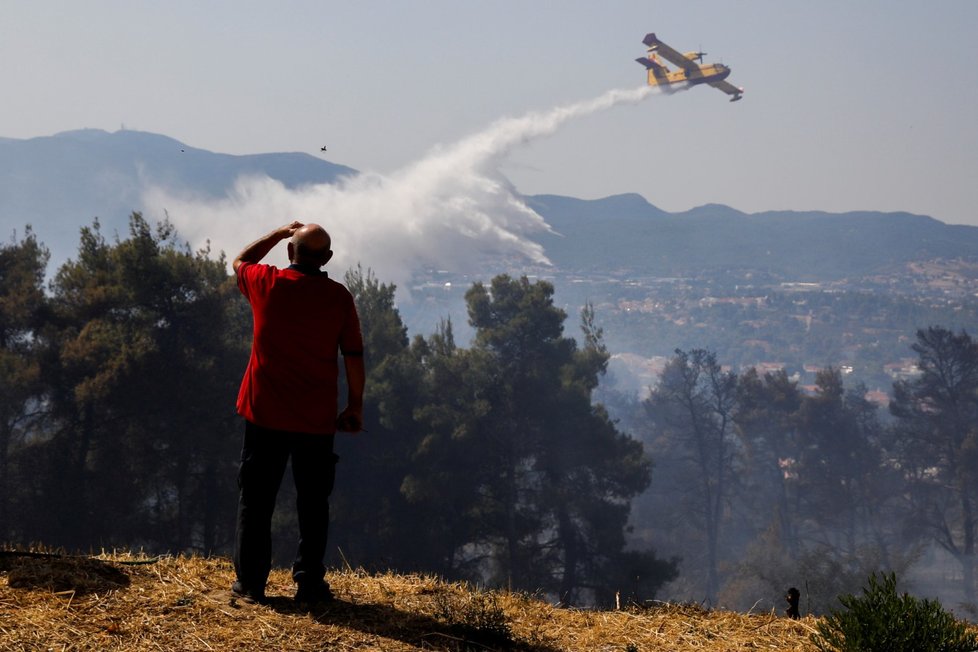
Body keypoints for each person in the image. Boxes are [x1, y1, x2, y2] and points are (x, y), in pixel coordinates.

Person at [230, 221, 365, 605]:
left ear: (290, 253)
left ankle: (252, 584)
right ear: (327, 259)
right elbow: (353, 356)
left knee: (256, 501)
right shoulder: (339, 298)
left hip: (264, 413)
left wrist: (277, 234)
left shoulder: (265, 283)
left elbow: (240, 259)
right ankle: (309, 584)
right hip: (315, 418)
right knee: (313, 502)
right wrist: (354, 406)